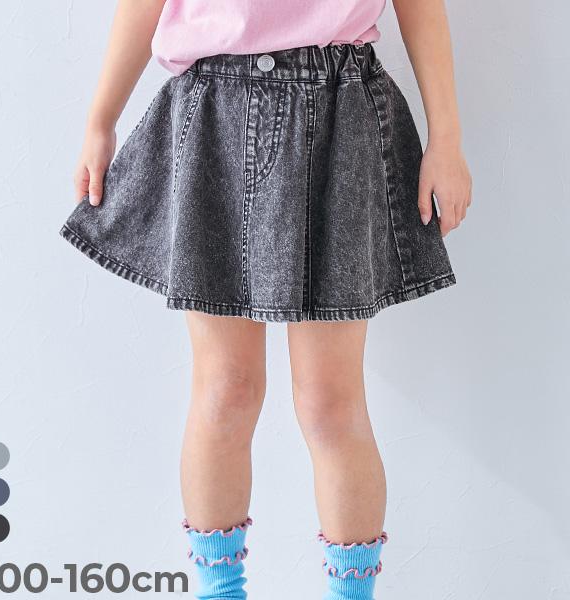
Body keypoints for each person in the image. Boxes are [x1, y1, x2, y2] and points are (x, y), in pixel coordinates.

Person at [60, 1, 472, 598]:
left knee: (330, 403)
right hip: (214, 113)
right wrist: (101, 119)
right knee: (225, 391)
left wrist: (447, 138)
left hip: (339, 108)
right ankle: (219, 590)